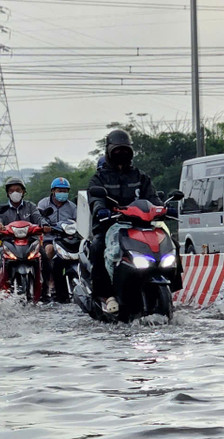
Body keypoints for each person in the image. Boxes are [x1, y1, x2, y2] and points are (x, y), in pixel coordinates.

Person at [87, 129, 160, 314]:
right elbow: (95, 199)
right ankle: (106, 295)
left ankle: (170, 285)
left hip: (139, 227)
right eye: (117, 150)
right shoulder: (99, 178)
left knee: (170, 243)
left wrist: (162, 208)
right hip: (109, 226)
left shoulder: (140, 176)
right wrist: (99, 209)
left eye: (125, 150)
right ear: (109, 151)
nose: (121, 154)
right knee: (97, 247)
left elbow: (152, 197)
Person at [38, 177, 78, 298]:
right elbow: (38, 217)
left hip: (67, 238)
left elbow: (78, 221)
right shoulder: (44, 203)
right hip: (50, 238)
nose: (63, 193)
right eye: (60, 190)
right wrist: (45, 225)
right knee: (49, 250)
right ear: (53, 191)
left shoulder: (72, 207)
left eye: (65, 191)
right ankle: (49, 279)